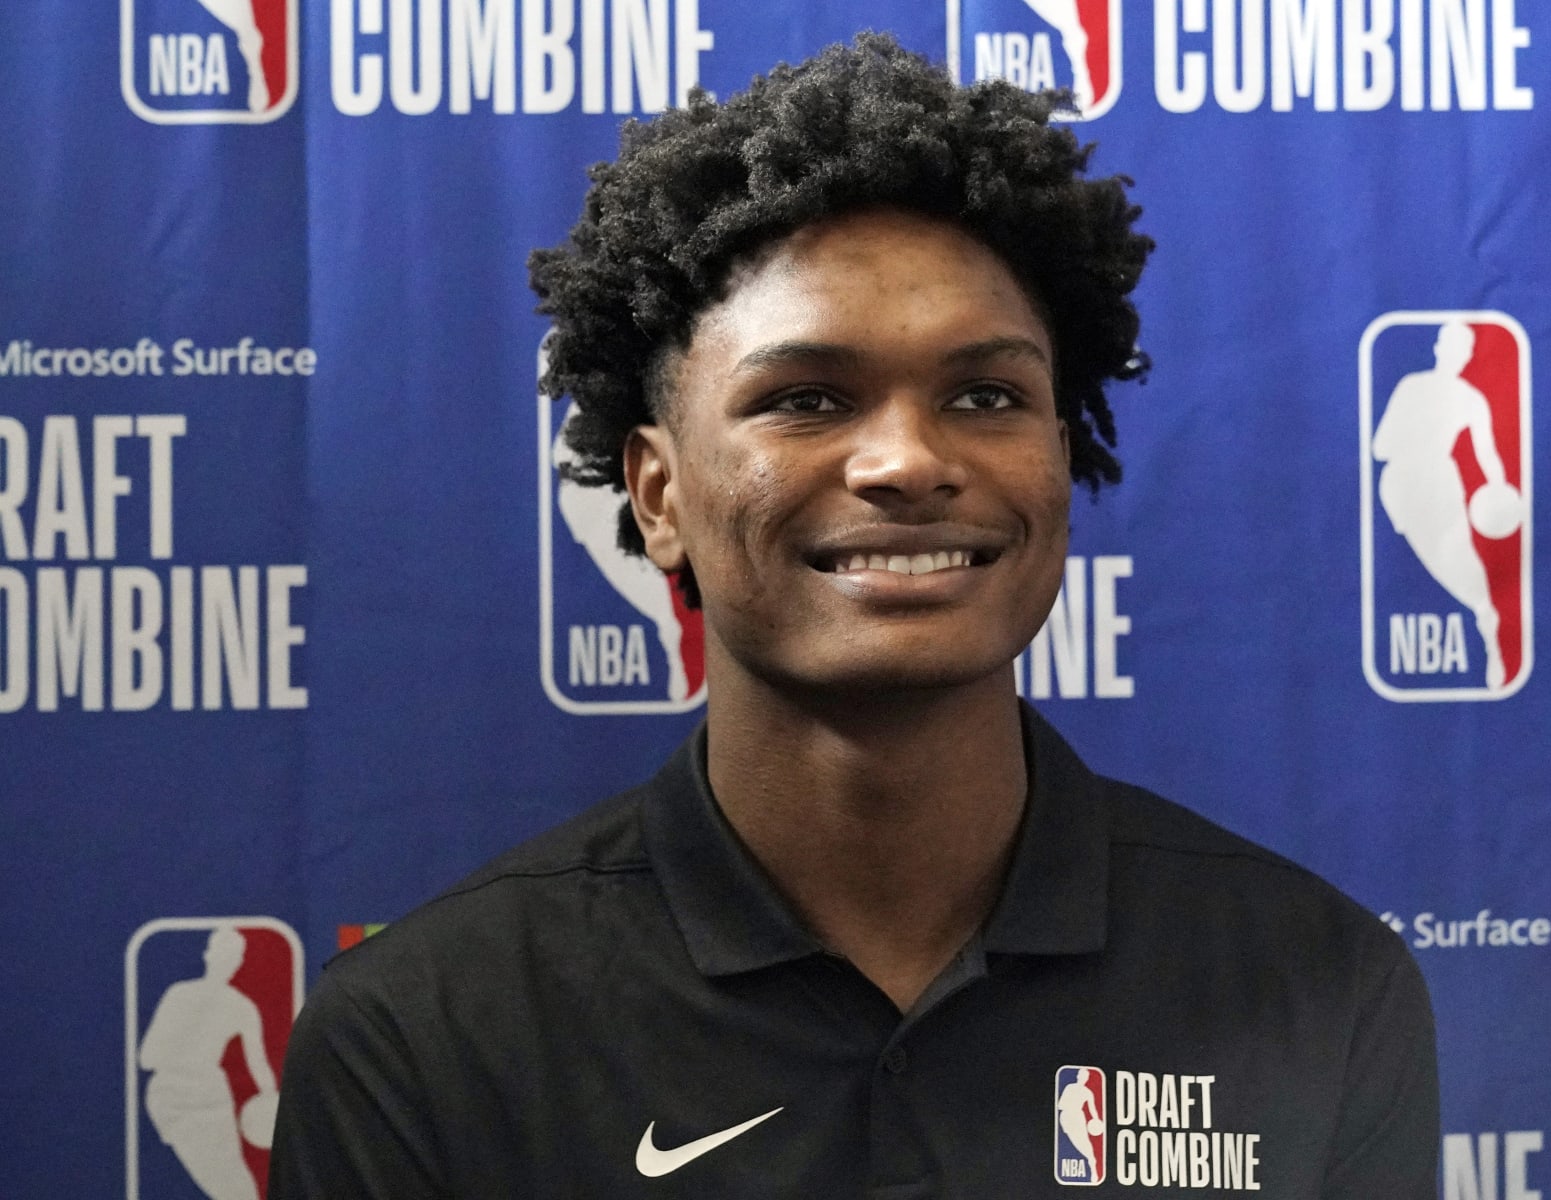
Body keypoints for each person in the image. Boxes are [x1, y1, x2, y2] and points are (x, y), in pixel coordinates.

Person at [270, 34, 1437, 1197]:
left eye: (985, 395)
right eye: (807, 399)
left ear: (1061, 458)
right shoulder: (426, 1037)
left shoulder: (1317, 983)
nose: (908, 461)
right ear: (657, 492)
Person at [1372, 320, 1516, 690]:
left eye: (1465, 349)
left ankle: (1490, 633)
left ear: (1469, 357)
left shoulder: (1471, 399)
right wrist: (1415, 439)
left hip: (1440, 481)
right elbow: (1379, 447)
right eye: (1453, 345)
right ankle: (1480, 612)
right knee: (1424, 563)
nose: (1459, 354)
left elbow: (1488, 454)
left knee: (1463, 564)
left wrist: (1499, 489)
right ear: (1438, 348)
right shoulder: (1410, 387)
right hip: (1400, 485)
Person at [140, 927, 279, 1200]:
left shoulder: (242, 1007)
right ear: (209, 955)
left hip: (210, 1094)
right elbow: (147, 1057)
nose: (228, 959)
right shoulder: (179, 995)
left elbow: (259, 1064)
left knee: (240, 1190)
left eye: (234, 955)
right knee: (230, 1187)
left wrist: (272, 1103)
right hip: (173, 1097)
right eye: (223, 951)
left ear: (239, 961)